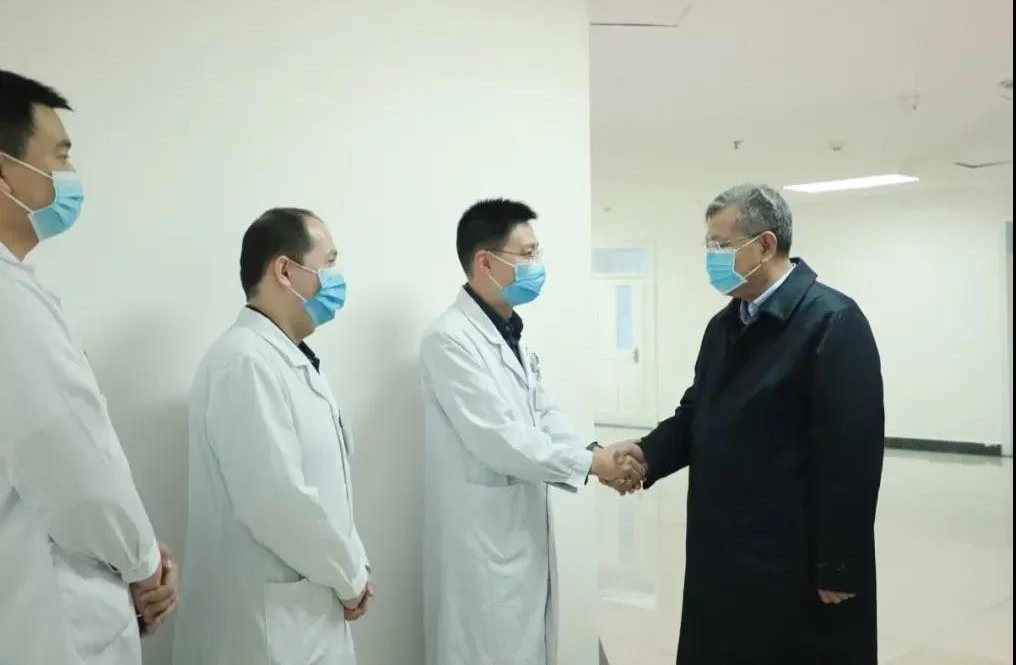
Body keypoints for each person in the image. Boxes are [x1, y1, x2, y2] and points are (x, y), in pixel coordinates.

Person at [605, 184, 885, 664]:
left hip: (790, 558)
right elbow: (698, 413)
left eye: (722, 245)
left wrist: (839, 564)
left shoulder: (832, 321)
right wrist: (647, 455)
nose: (711, 257)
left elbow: (852, 457)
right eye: (708, 245)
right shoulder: (724, 325)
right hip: (723, 548)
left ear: (766, 245)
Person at [0, 70, 178, 665]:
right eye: (59, 157)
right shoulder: (9, 301)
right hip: (47, 614)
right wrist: (145, 565)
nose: (69, 177)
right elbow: (73, 466)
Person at [420, 198, 645, 665]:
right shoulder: (449, 339)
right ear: (486, 261)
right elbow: (500, 438)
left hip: (517, 539)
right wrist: (594, 464)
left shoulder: (509, 332)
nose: (537, 264)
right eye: (527, 254)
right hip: (484, 549)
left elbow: (543, 414)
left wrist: (594, 451)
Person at [173, 208, 372, 665]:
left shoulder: (286, 359)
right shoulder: (245, 362)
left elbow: (327, 490)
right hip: (264, 631)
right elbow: (274, 501)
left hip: (307, 613)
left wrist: (354, 567)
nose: (337, 279)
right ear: (285, 270)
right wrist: (350, 577)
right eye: (329, 263)